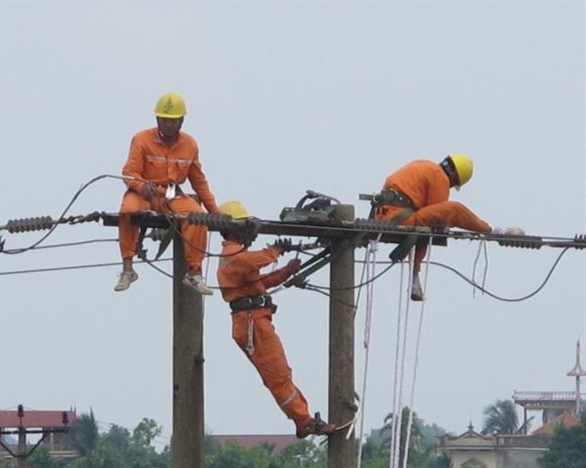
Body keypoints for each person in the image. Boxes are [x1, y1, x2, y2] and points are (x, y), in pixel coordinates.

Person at [216, 200, 336, 439]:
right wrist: (276, 251)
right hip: (252, 324)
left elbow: (260, 283)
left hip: (255, 321)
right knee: (278, 376)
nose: (247, 231)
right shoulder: (233, 256)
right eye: (242, 226)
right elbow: (257, 260)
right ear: (230, 228)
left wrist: (286, 271)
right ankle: (304, 421)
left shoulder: (237, 256)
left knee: (280, 374)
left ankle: (303, 419)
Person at [373, 154, 524, 301]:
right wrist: (442, 225)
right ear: (455, 178)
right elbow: (438, 213)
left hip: (385, 216)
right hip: (400, 217)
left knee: (424, 229)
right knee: (454, 210)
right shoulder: (440, 176)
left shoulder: (424, 165)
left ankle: (415, 278)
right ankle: (492, 231)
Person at [115, 92, 219, 294]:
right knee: (128, 211)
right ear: (157, 119)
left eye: (173, 121)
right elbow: (129, 172)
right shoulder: (141, 139)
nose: (169, 125)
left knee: (198, 217)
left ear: (181, 121)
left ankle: (194, 272)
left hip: (172, 194)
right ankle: (128, 268)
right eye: (165, 120)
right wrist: (141, 185)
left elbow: (199, 181)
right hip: (144, 193)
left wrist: (214, 211)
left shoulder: (190, 145)